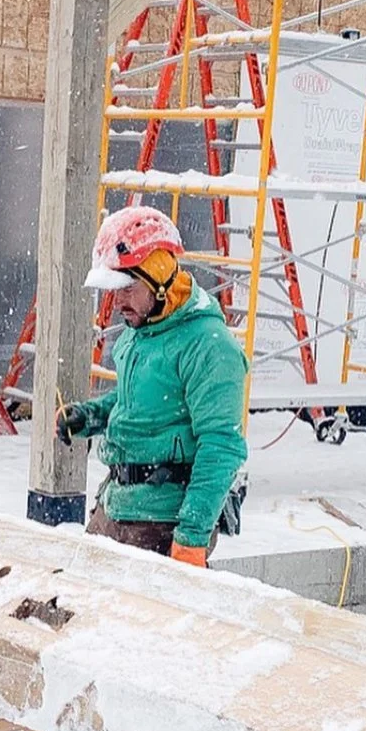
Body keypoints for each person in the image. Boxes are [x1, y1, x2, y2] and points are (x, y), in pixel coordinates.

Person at [56, 205, 248, 568]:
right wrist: (91, 416)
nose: (118, 303)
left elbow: (221, 447)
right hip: (115, 507)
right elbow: (138, 401)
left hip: (162, 524)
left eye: (128, 288)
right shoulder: (141, 331)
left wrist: (190, 538)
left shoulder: (208, 345)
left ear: (159, 276)